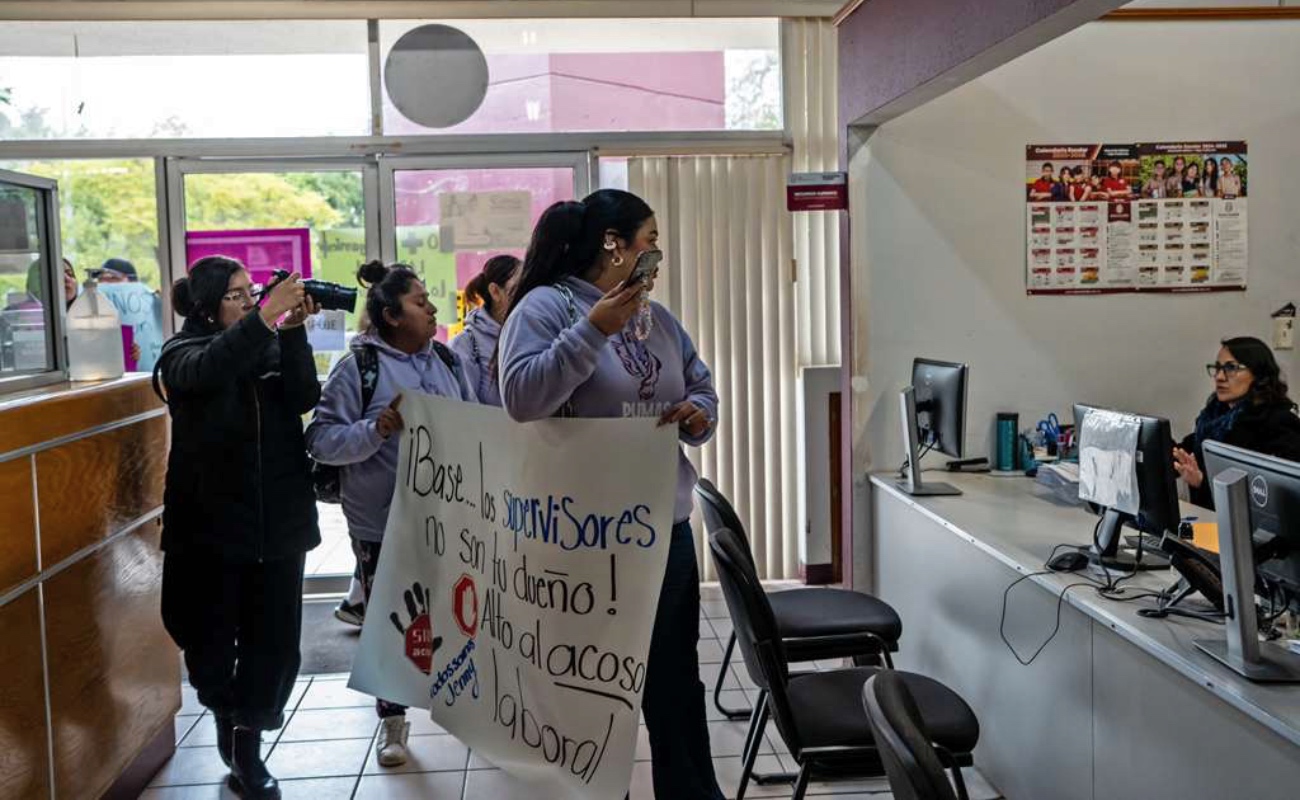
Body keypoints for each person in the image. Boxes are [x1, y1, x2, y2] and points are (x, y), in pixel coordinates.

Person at [498, 189, 723, 800]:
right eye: (649, 239)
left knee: (675, 683)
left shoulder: (655, 315)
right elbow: (520, 397)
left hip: (661, 532)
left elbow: (701, 385)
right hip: (583, 541)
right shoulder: (544, 307)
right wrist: (594, 330)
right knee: (591, 693)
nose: (658, 253)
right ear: (613, 244)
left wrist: (698, 415)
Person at [156, 257, 321, 800]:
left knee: (273, 643)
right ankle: (223, 707)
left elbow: (302, 399)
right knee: (204, 639)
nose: (251, 301)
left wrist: (292, 334)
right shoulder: (180, 355)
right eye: (237, 295)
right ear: (206, 306)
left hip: (278, 522)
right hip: (208, 528)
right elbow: (212, 369)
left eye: (252, 292)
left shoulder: (267, 344)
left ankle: (247, 746)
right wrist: (266, 320)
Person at [305, 260, 475, 768]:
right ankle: (393, 721)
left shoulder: (446, 361)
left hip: (445, 518)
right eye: (420, 302)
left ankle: (463, 705)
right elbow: (320, 440)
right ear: (390, 315)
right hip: (381, 523)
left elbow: (471, 422)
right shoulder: (358, 368)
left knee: (452, 615)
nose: (432, 309)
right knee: (390, 625)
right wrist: (376, 430)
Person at [1172, 337, 1300, 509]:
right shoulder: (1214, 417)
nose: (1219, 377)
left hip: (1252, 532)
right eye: (1217, 368)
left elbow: (1269, 499)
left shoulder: (1279, 423)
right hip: (1210, 522)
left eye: (1231, 368)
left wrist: (1202, 483)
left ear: (1259, 375)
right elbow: (1187, 452)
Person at [451, 254, 521, 406]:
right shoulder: (465, 345)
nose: (527, 296)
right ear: (495, 292)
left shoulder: (529, 335)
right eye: (519, 288)